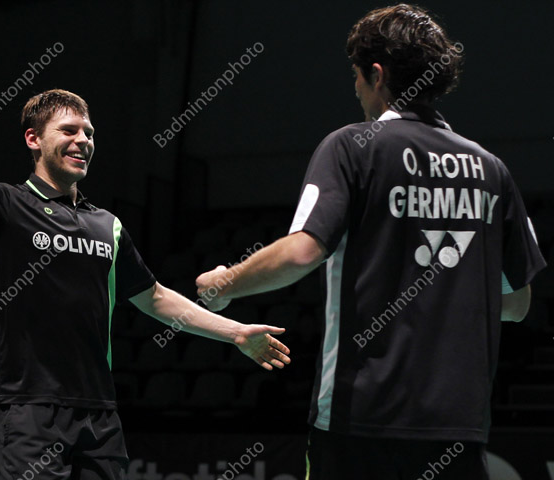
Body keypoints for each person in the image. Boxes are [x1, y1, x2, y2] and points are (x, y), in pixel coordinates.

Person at [196, 4, 546, 479]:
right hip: (457, 427)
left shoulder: (351, 147)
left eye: (357, 76)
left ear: (377, 75)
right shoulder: (491, 169)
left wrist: (225, 282)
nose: (356, 88)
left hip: (361, 421)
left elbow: (302, 251)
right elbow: (517, 303)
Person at [0, 89, 290, 478]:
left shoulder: (107, 225)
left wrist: (236, 333)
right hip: (26, 404)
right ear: (33, 139)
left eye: (89, 133)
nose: (83, 140)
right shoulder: (5, 204)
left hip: (98, 412)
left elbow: (154, 297)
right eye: (69, 130)